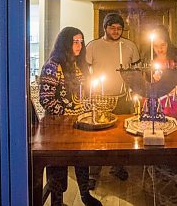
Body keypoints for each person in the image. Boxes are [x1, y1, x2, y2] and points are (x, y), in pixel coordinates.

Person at [38, 27, 102, 206]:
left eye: (81, 41)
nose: (79, 45)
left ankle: (84, 195)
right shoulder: (53, 66)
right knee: (58, 167)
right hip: (58, 127)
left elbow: (85, 95)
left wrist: (89, 109)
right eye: (75, 41)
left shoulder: (80, 65)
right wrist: (66, 116)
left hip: (80, 125)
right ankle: (56, 202)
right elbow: (46, 99)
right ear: (65, 43)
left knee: (82, 160)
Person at [85, 13, 140, 185]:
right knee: (97, 137)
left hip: (122, 97)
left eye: (119, 28)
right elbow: (85, 71)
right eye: (112, 27)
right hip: (99, 98)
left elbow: (136, 71)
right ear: (105, 28)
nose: (116, 31)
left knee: (122, 134)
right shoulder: (93, 46)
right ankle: (93, 173)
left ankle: (117, 166)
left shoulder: (130, 46)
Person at [146, 24, 177, 115]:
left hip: (174, 99)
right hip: (155, 98)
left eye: (163, 45)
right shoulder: (148, 58)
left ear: (168, 43)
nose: (159, 49)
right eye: (156, 46)